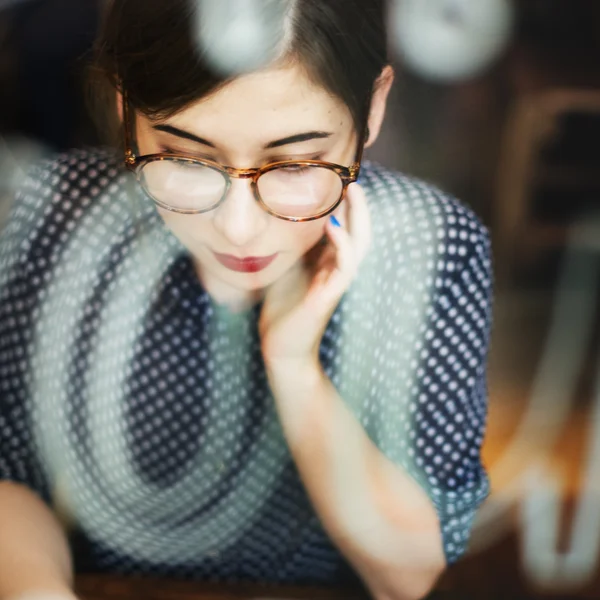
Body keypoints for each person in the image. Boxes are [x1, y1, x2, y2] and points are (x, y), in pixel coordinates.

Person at [0, 1, 492, 599]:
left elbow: (414, 575)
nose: (238, 227)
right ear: (127, 109)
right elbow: (10, 474)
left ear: (374, 107)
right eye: (185, 157)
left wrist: (293, 365)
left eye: (295, 163)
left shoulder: (429, 246)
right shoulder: (59, 214)